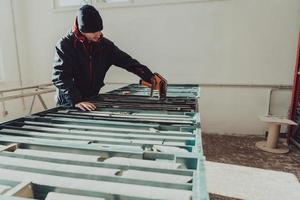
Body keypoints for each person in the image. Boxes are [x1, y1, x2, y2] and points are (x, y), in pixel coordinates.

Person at [52, 5, 164, 111]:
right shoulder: (65, 45)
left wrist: (150, 77)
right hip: (69, 102)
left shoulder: (105, 46)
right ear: (82, 30)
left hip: (91, 99)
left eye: (100, 30)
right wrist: (76, 100)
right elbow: (60, 77)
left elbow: (128, 62)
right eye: (93, 31)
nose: (98, 34)